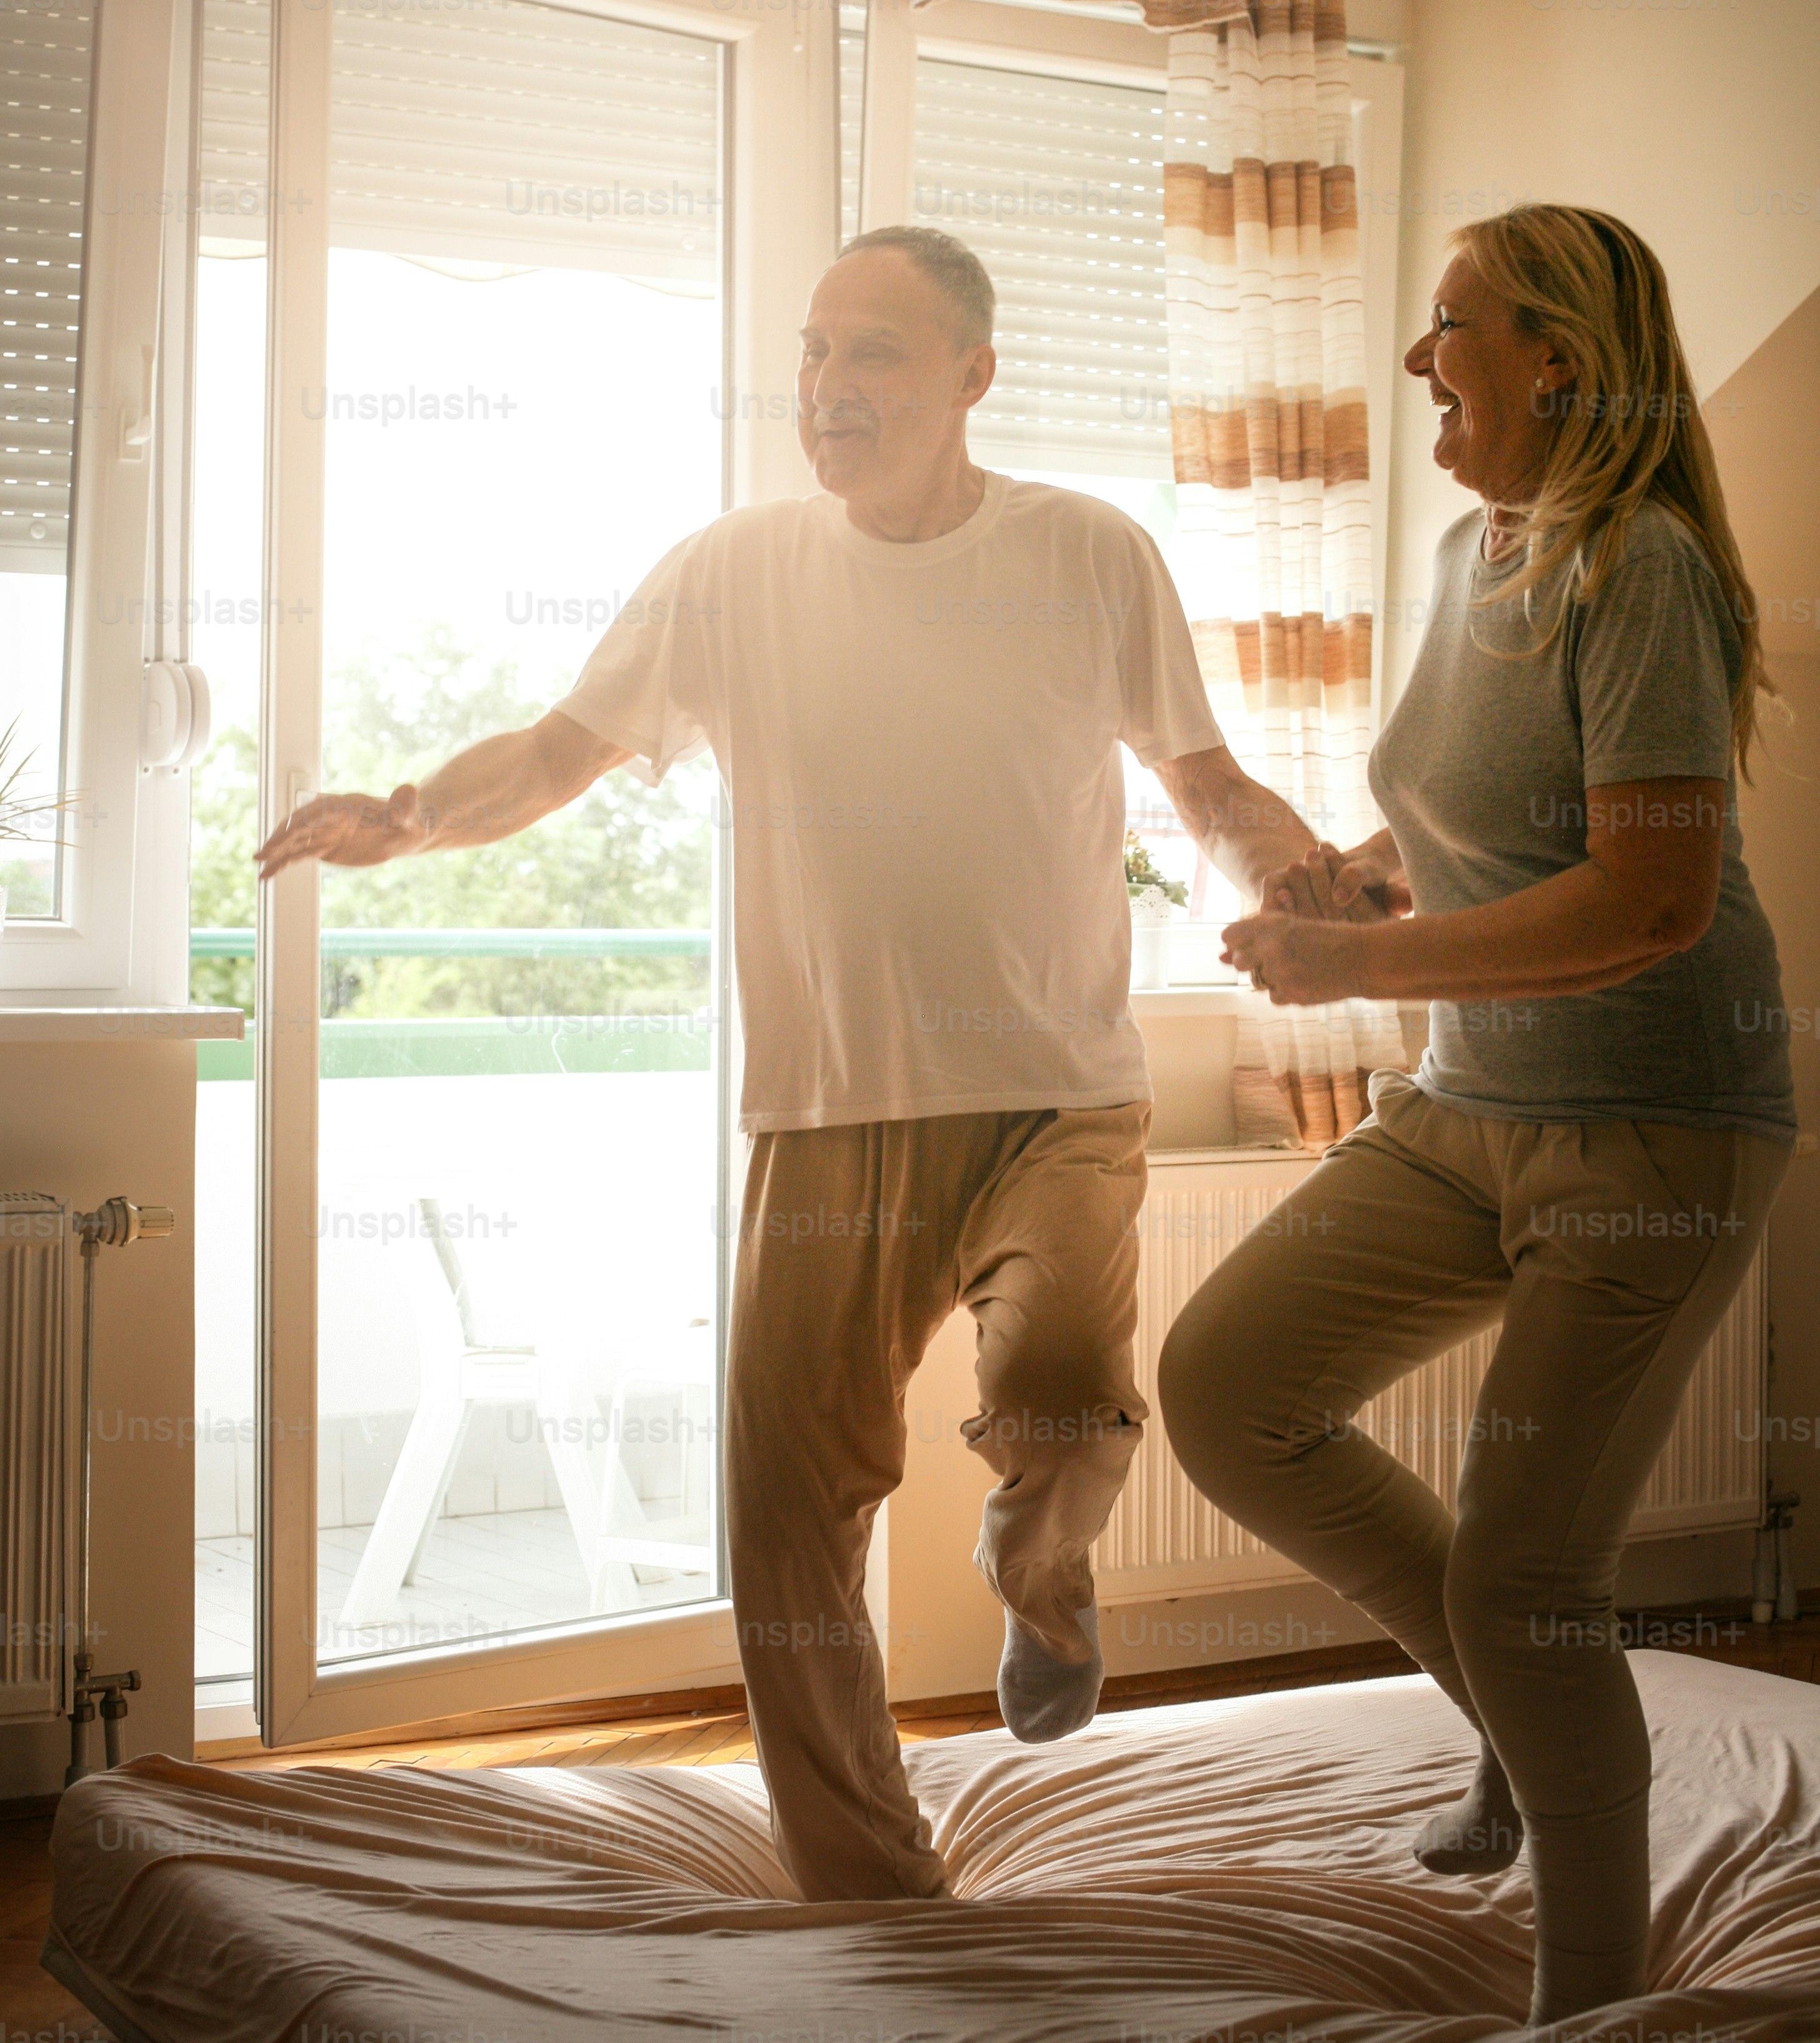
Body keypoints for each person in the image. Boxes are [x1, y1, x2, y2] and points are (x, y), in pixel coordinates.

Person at [259, 221, 1324, 1904]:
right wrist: (407, 820)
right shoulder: (731, 571)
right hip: (824, 1112)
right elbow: (558, 749)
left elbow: (1204, 784)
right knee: (788, 1522)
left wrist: (1305, 877)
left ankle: (1042, 1576)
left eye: (874, 355)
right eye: (816, 352)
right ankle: (866, 1886)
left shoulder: (1091, 553)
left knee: (1057, 1390)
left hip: (1054, 1087)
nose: (829, 387)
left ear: (972, 376)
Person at [1159, 206, 1797, 2027]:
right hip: (1471, 1109)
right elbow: (1479, 820)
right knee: (1226, 1391)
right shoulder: (1470, 549)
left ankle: (1590, 1996)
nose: (1425, 363)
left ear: (1559, 364)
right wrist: (1362, 887)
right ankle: (1515, 1725)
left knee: (1530, 1575)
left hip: (1652, 1131)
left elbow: (1650, 905)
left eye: (1456, 329)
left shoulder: (1641, 565)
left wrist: (1366, 969)